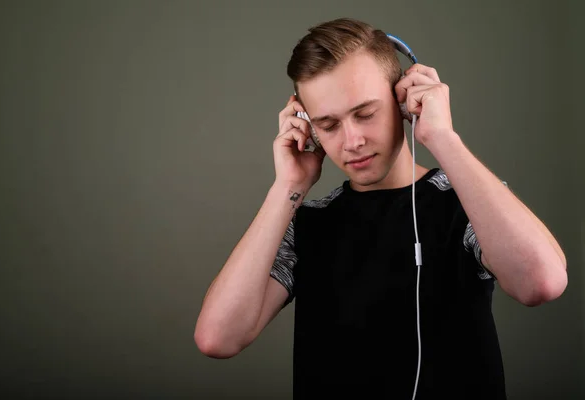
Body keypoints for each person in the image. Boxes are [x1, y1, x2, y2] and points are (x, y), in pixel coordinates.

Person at [194, 17, 567, 399]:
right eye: (328, 124)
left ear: (404, 99)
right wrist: (288, 185)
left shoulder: (466, 201)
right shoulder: (308, 223)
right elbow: (217, 338)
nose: (351, 141)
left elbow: (542, 282)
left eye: (365, 113)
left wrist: (441, 136)